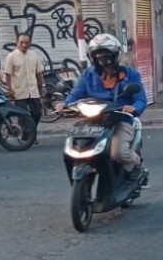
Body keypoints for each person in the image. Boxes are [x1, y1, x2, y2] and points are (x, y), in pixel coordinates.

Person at [55, 33, 148, 181]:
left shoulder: (130, 74)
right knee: (74, 148)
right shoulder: (88, 75)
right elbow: (77, 93)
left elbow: (140, 99)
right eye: (98, 54)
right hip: (94, 120)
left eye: (105, 53)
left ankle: (136, 165)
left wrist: (133, 107)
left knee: (118, 153)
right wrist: (65, 104)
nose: (102, 58)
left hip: (120, 119)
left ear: (115, 55)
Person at [2, 34, 45, 137]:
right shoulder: (11, 56)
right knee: (23, 115)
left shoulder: (34, 55)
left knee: (37, 113)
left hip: (33, 91)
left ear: (29, 43)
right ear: (17, 43)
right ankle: (28, 136)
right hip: (19, 91)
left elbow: (38, 73)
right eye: (21, 42)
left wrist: (42, 86)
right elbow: (8, 74)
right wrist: (10, 89)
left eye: (26, 42)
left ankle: (29, 132)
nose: (24, 45)